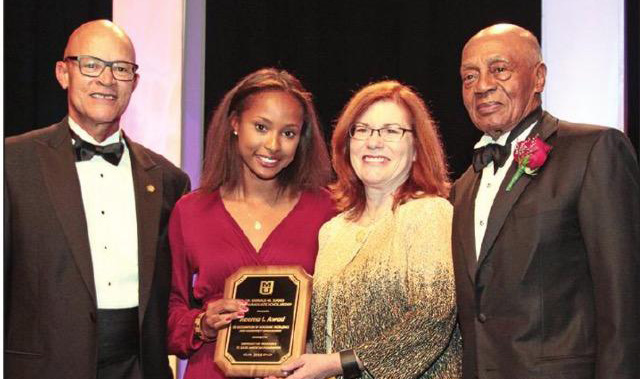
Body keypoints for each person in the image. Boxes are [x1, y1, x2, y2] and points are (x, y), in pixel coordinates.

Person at [451, 23, 640, 379]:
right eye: (468, 77)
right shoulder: (464, 187)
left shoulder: (593, 151)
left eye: (499, 69)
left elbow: (623, 303)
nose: (483, 86)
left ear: (538, 78)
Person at [4, 20, 190, 379]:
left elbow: (173, 298)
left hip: (140, 369)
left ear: (134, 83)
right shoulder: (12, 164)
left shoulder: (169, 180)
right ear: (63, 73)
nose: (106, 80)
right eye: (91, 64)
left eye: (121, 69)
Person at [277, 81, 462, 379]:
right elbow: (332, 333)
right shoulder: (333, 231)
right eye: (361, 130)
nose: (373, 142)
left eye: (391, 131)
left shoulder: (428, 212)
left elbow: (433, 317)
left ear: (416, 148)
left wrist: (337, 363)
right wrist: (296, 360)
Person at [166, 68, 335, 379]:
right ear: (234, 124)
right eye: (261, 127)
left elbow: (342, 311)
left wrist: (311, 349)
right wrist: (202, 324)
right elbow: (165, 312)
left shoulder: (326, 210)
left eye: (288, 133)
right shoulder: (190, 211)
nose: (273, 145)